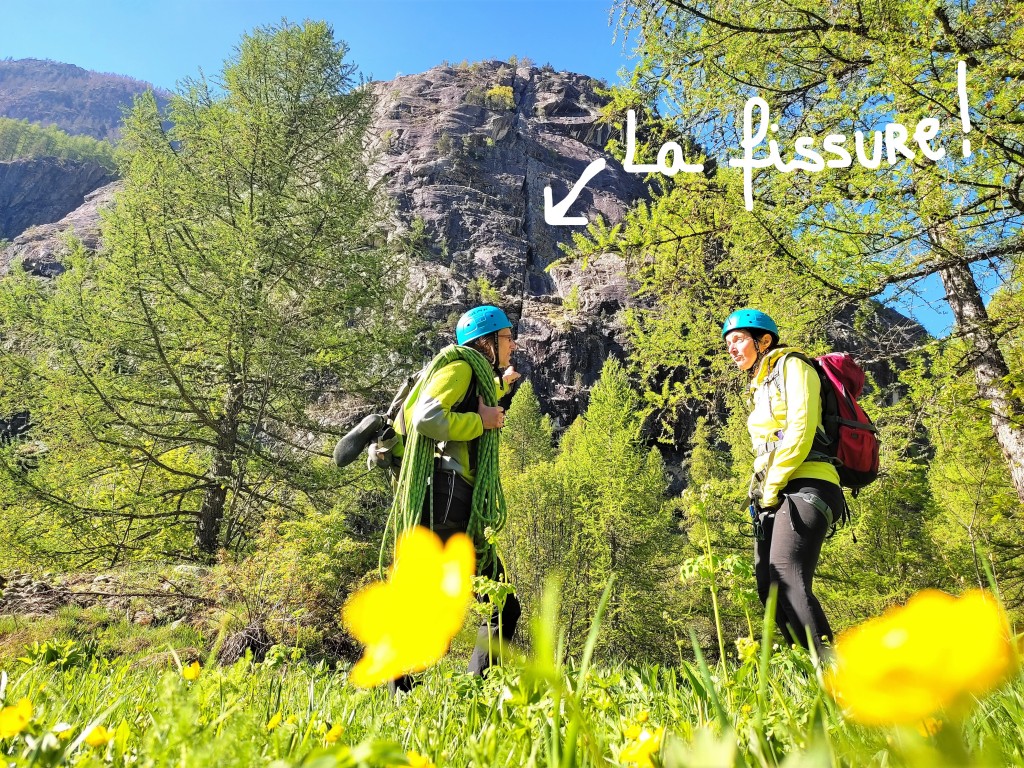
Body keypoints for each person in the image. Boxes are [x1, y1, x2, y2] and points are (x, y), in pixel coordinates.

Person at [388, 305, 523, 691]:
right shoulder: (462, 367)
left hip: (450, 498)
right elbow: (426, 417)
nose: (513, 344)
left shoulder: (472, 374)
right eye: (506, 337)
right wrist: (479, 422)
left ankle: (416, 689)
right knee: (488, 604)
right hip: (450, 497)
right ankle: (437, 691)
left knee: (495, 603)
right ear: (487, 342)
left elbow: (465, 400)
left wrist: (502, 387)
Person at [722, 308, 843, 656]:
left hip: (808, 483)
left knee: (789, 576)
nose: (732, 349)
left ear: (764, 340)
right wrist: (765, 493)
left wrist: (772, 488)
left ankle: (834, 670)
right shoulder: (759, 385)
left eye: (739, 340)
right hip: (773, 493)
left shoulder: (793, 366)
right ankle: (810, 669)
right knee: (768, 587)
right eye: (728, 343)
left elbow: (801, 431)